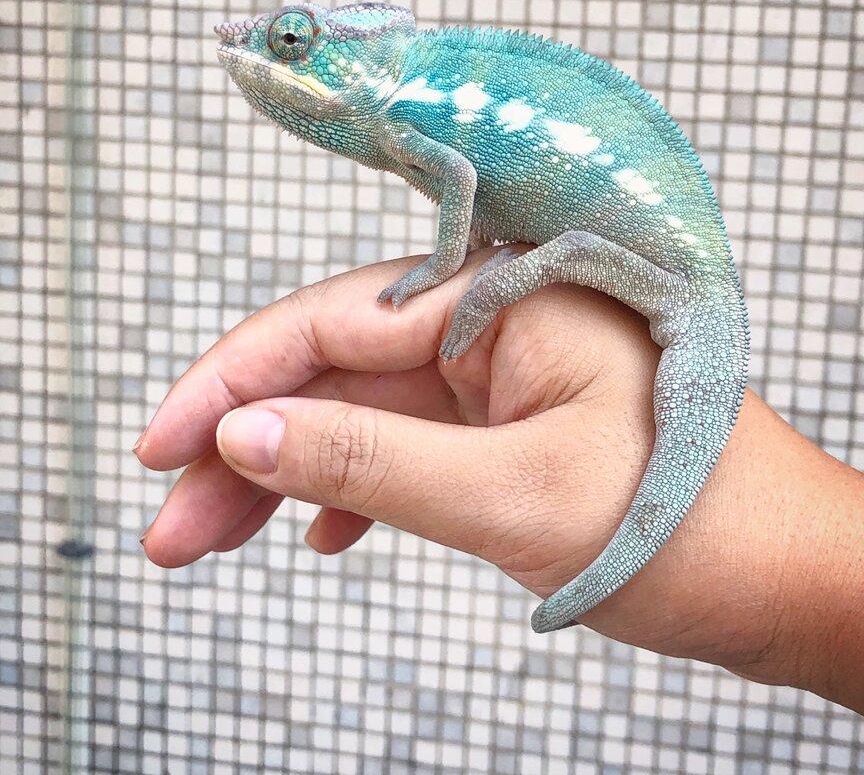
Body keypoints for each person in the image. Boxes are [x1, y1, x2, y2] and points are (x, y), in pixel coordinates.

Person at [135, 250, 864, 715]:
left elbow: (489, 203)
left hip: (670, 272)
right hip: (649, 267)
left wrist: (480, 276)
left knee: (561, 254)